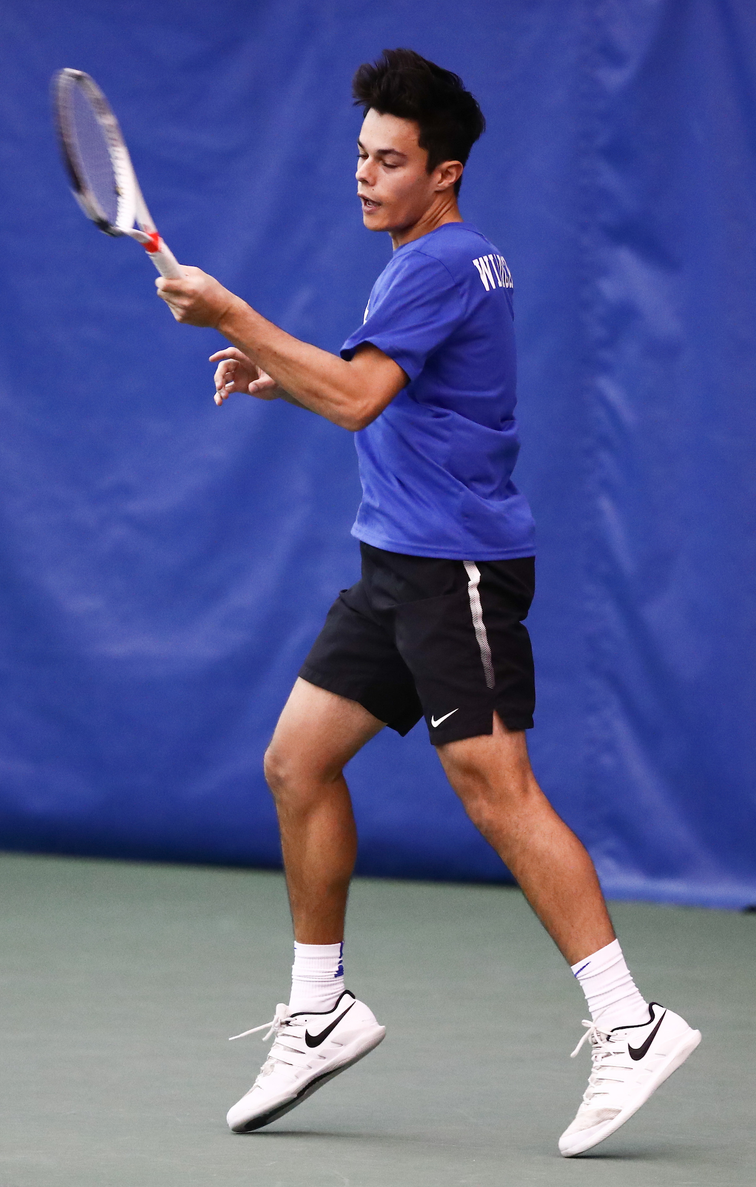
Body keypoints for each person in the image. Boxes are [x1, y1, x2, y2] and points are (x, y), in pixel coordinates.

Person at [154, 47, 700, 1157]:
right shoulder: (429, 261)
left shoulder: (440, 262)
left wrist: (230, 311)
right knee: (296, 762)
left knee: (494, 790)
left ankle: (627, 1024)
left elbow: (356, 396)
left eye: (388, 161)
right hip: (394, 565)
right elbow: (384, 397)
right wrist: (268, 370)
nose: (364, 176)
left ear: (441, 174)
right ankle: (319, 1008)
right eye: (358, 155)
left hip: (454, 571)